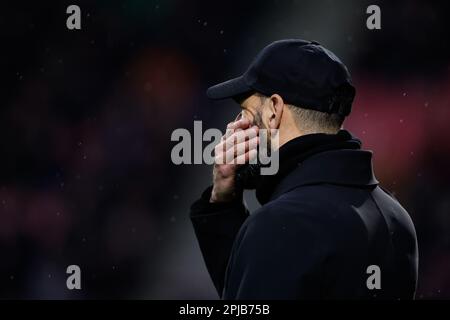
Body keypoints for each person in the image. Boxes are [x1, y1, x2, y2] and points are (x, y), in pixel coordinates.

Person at [190, 39, 418, 299]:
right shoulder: (396, 218)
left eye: (246, 112)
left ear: (274, 110)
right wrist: (222, 204)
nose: (235, 126)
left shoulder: (282, 223)